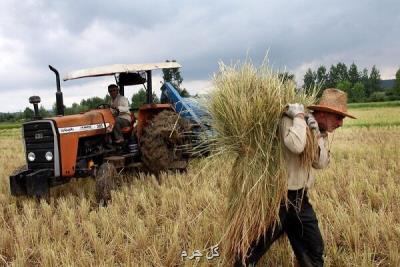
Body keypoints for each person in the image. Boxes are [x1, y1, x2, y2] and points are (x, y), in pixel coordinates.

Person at [234, 88, 356, 267]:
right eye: (339, 117)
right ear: (323, 113)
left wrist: (318, 135)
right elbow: (295, 145)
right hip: (276, 200)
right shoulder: (290, 119)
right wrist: (299, 117)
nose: (341, 123)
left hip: (300, 201)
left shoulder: (317, 130)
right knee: (251, 252)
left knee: (314, 250)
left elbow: (320, 163)